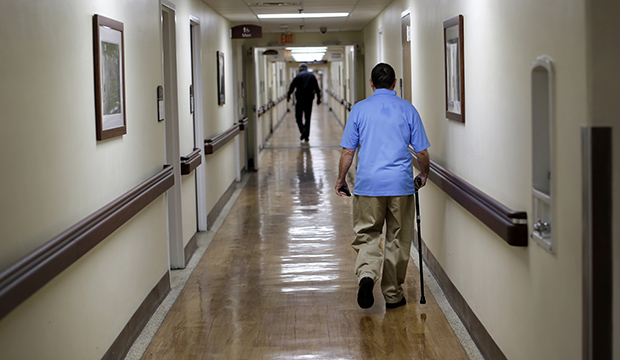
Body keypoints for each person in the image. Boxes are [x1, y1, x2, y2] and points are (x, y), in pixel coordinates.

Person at [334, 63, 431, 310]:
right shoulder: (407, 109)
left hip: (368, 186)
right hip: (400, 186)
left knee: (368, 234)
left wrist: (341, 179)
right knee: (398, 238)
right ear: (395, 83)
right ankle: (393, 294)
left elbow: (348, 151)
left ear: (371, 83)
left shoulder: (359, 110)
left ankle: (367, 276)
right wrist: (423, 174)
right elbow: (421, 151)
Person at [287, 63, 322, 141]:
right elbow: (317, 88)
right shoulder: (312, 76)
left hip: (299, 99)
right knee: (307, 117)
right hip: (309, 100)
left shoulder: (298, 76)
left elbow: (292, 86)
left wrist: (289, 95)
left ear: (300, 68)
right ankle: (306, 136)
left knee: (298, 117)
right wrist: (318, 99)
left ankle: (303, 130)